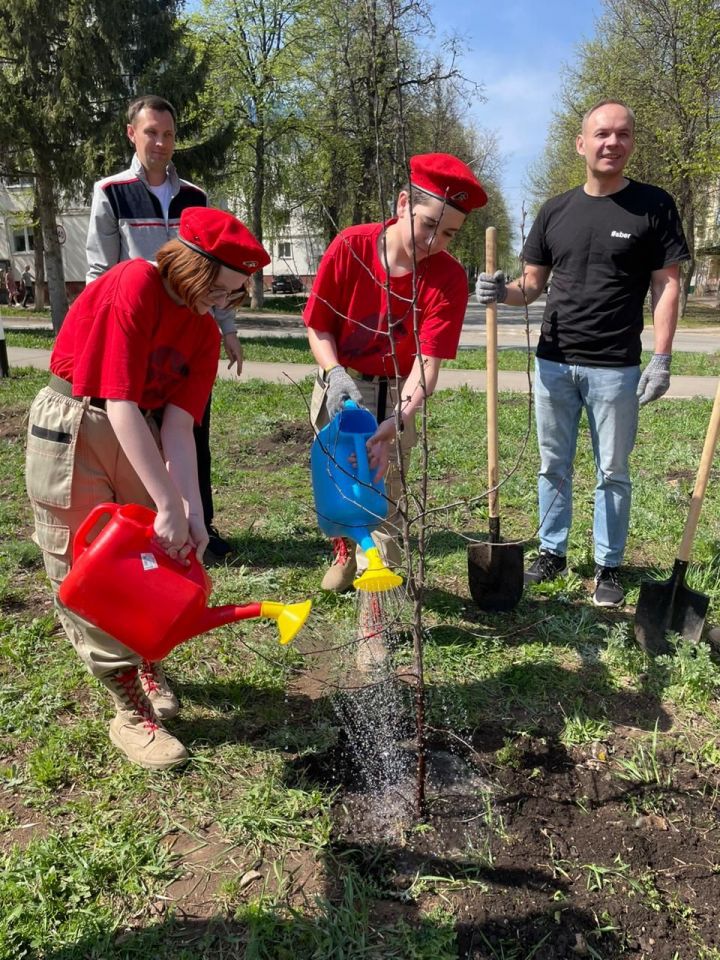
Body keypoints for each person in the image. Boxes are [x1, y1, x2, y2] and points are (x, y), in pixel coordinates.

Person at [26, 207, 270, 770]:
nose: (222, 303)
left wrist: (190, 511)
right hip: (75, 422)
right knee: (86, 567)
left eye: (233, 295)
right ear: (191, 264)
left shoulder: (204, 332)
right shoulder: (136, 281)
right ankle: (129, 708)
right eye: (220, 288)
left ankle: (144, 660)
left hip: (144, 431)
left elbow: (180, 426)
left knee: (148, 563)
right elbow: (119, 399)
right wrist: (164, 502)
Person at [478, 99, 690, 607]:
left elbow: (667, 285)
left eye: (621, 134)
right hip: (554, 359)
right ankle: (552, 553)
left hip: (616, 364)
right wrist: (499, 292)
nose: (611, 142)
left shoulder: (654, 206)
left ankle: (608, 566)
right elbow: (530, 286)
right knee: (553, 463)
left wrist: (661, 357)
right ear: (581, 143)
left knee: (612, 469)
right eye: (601, 134)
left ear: (631, 142)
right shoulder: (555, 210)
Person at [304, 152, 487, 597]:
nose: (435, 242)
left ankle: (379, 602)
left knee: (388, 493)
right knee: (341, 482)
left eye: (449, 234)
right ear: (404, 203)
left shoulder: (447, 278)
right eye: (429, 225)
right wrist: (334, 375)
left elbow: (428, 362)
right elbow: (318, 323)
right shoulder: (351, 247)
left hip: (399, 391)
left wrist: (400, 418)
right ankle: (346, 550)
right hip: (343, 387)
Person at [86, 94, 240, 563]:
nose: (161, 142)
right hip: (135, 327)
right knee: (124, 427)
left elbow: (219, 268)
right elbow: (100, 269)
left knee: (190, 429)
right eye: (152, 132)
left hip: (189, 331)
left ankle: (200, 527)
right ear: (132, 134)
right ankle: (134, 527)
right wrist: (102, 326)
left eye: (169, 134)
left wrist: (225, 327)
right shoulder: (111, 191)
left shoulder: (194, 196)